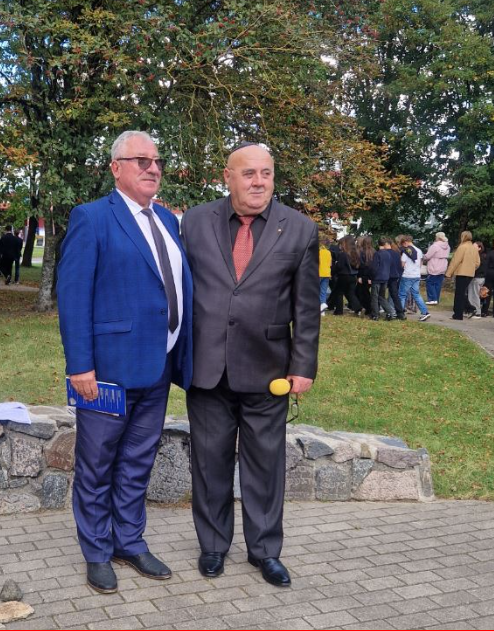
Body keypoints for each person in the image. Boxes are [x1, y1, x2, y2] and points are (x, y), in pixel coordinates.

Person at [57, 131, 193, 595]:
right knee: (97, 464)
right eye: (141, 160)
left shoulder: (168, 220)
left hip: (158, 367)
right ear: (116, 168)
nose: (152, 168)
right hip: (106, 373)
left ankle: (129, 542)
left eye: (157, 160)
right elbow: (74, 297)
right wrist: (80, 366)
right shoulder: (92, 217)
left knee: (137, 463)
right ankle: (97, 551)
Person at [182, 143, 319, 589]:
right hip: (207, 368)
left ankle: (265, 551)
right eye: (249, 173)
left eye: (266, 173)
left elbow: (306, 308)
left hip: (269, 370)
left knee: (265, 466)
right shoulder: (195, 221)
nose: (259, 182)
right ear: (228, 177)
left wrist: (303, 365)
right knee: (210, 463)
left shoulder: (299, 229)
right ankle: (213, 546)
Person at [445, 231, 479, 321]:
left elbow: (455, 261)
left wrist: (448, 273)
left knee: (459, 294)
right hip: (470, 274)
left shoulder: (462, 247)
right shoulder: (474, 248)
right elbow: (477, 263)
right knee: (462, 293)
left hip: (461, 272)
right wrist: (471, 268)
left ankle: (458, 314)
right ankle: (469, 308)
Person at [398, 235, 430, 321]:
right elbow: (420, 263)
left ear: (405, 242)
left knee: (402, 295)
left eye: (402, 244)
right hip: (416, 275)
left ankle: (400, 313)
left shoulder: (406, 251)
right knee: (416, 294)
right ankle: (425, 312)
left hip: (407, 275)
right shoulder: (419, 250)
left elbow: (402, 264)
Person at [330, 235, 363, 316]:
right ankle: (358, 307)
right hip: (353, 276)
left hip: (344, 276)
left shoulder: (343, 254)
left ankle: (339, 311)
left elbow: (339, 266)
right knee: (351, 293)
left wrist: (333, 270)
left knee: (339, 292)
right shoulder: (356, 253)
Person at [370, 237, 397, 321]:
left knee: (374, 297)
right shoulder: (388, 254)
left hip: (377, 278)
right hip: (385, 277)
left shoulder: (377, 254)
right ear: (385, 244)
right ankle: (390, 312)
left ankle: (375, 315)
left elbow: (374, 267)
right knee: (382, 297)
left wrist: (371, 277)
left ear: (378, 244)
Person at [422, 232, 450, 305]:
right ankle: (436, 299)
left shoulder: (435, 246)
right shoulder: (447, 246)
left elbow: (427, 256)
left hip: (434, 265)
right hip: (443, 266)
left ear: (438, 237)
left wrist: (422, 256)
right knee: (438, 284)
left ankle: (432, 299)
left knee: (430, 283)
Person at [466, 241, 487, 317]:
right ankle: (473, 310)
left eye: (474, 247)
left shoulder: (478, 257)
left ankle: (476, 311)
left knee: (473, 295)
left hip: (476, 277)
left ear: (479, 248)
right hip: (481, 277)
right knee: (474, 294)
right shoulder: (484, 256)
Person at [356, 235, 375, 317]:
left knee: (362, 292)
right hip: (371, 275)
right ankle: (368, 308)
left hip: (363, 275)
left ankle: (365, 308)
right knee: (365, 292)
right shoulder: (374, 252)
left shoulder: (362, 252)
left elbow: (361, 265)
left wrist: (359, 276)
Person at [318, 236, 332, 314]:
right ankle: (322, 310)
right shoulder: (328, 252)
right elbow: (330, 264)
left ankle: (317, 307)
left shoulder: (318, 252)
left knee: (315, 291)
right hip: (327, 274)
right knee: (323, 292)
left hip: (318, 273)